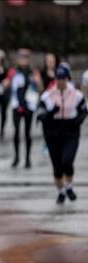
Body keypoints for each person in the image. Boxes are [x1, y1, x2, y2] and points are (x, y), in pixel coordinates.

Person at [38, 63, 87, 204]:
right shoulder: (48, 95)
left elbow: (84, 110)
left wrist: (77, 121)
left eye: (63, 78)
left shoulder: (76, 94)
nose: (60, 81)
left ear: (68, 79)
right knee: (57, 167)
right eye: (58, 78)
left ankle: (69, 186)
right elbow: (40, 115)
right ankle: (61, 192)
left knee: (67, 161)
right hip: (52, 133)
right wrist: (50, 112)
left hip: (70, 132)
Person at [8, 49, 42, 168]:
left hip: (29, 105)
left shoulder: (33, 72)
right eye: (21, 57)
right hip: (16, 104)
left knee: (27, 132)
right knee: (16, 131)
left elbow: (39, 89)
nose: (23, 60)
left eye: (25, 57)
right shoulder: (13, 72)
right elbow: (7, 86)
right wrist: (8, 80)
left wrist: (38, 82)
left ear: (28, 59)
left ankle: (27, 159)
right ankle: (16, 157)